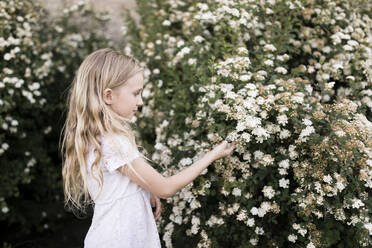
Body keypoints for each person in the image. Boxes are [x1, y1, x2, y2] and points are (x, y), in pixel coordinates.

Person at [61, 48, 236, 248]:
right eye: (136, 93)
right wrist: (212, 156)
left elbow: (123, 183)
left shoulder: (99, 137)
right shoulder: (113, 142)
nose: (140, 101)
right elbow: (166, 188)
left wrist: (145, 190)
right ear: (108, 96)